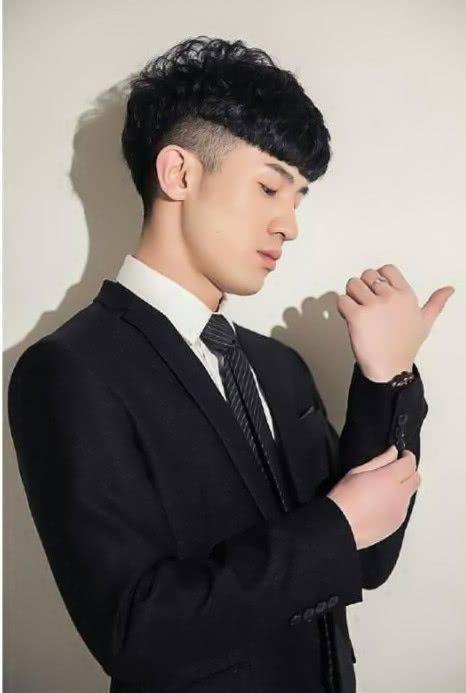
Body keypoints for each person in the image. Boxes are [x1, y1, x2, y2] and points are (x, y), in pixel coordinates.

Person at [7, 36, 453, 693]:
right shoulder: (69, 371)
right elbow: (136, 634)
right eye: (270, 186)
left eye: (298, 198)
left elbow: (367, 557)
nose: (290, 225)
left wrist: (386, 377)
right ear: (179, 174)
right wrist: (336, 525)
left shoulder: (279, 367)